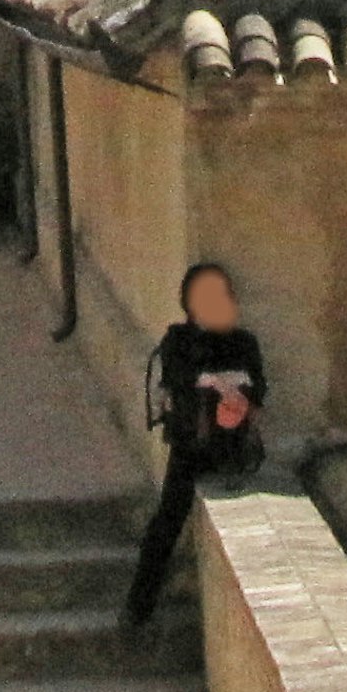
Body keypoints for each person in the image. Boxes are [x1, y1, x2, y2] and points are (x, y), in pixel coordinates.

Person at [124, 261, 265, 628]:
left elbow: (260, 387)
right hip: (190, 448)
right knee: (168, 521)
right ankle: (138, 607)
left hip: (234, 446)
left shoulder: (243, 342)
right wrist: (213, 385)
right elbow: (178, 380)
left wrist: (240, 399)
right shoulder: (179, 341)